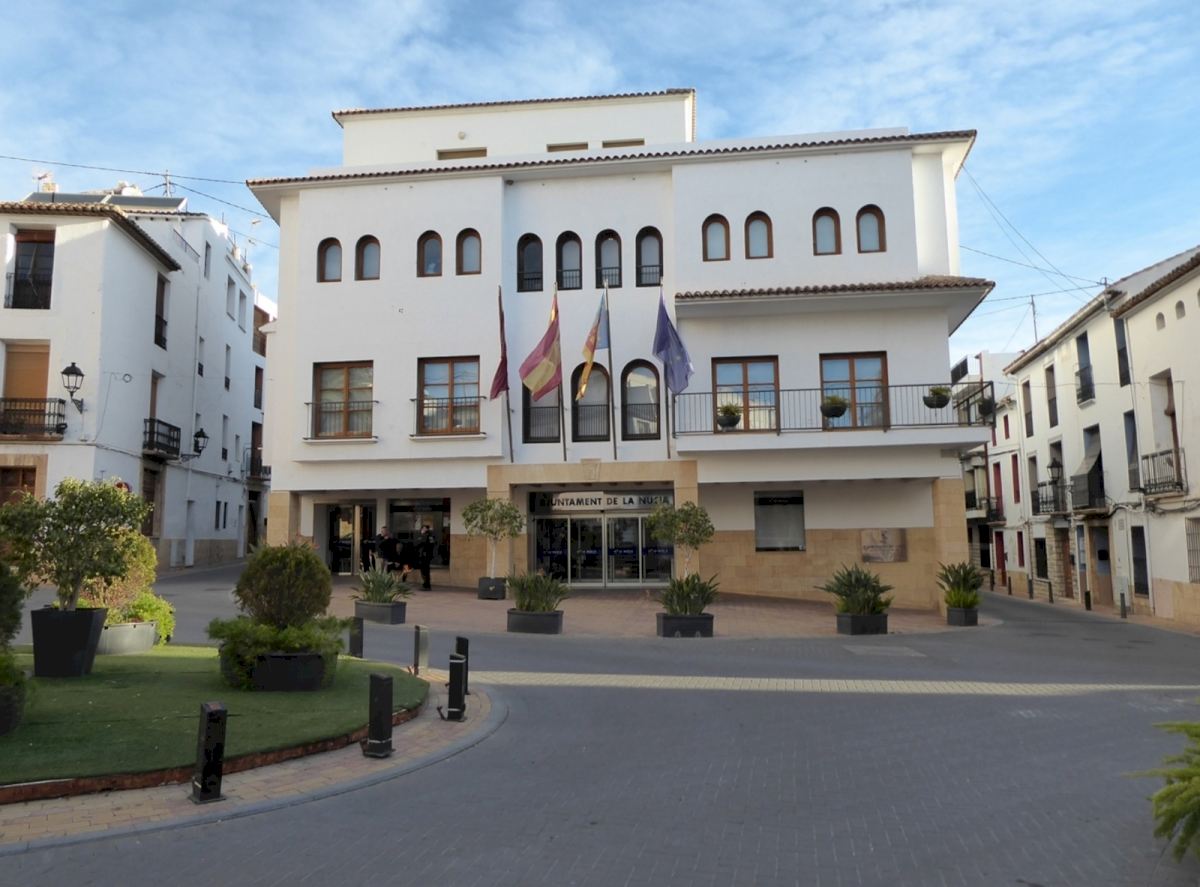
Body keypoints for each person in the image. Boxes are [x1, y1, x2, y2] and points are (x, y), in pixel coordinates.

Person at [416, 524, 436, 590]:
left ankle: (427, 585)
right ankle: (425, 584)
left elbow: (431, 545)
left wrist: (426, 552)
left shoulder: (430, 536)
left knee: (426, 570)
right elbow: (418, 544)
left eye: (424, 529)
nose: (423, 530)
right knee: (423, 570)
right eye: (422, 528)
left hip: (427, 555)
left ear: (427, 529)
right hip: (422, 555)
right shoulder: (422, 536)